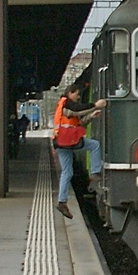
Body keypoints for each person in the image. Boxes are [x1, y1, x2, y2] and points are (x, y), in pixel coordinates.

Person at [52, 82, 107, 219]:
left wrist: (91, 116)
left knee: (67, 172)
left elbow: (78, 123)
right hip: (69, 140)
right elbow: (77, 110)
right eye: (76, 94)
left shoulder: (63, 106)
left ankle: (62, 202)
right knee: (94, 145)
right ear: (70, 93)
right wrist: (95, 105)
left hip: (61, 142)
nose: (78, 97)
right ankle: (95, 172)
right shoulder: (67, 104)